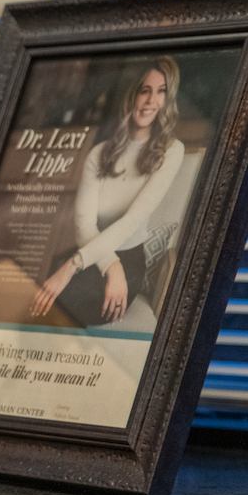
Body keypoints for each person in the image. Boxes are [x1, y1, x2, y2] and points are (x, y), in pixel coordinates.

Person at [30, 56, 185, 327]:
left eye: (161, 92)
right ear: (131, 94)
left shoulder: (172, 152)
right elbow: (83, 226)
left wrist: (72, 267)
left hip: (128, 261)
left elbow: (132, 221)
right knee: (37, 301)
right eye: (144, 90)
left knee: (61, 307)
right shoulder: (98, 154)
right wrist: (111, 267)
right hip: (91, 252)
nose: (151, 101)